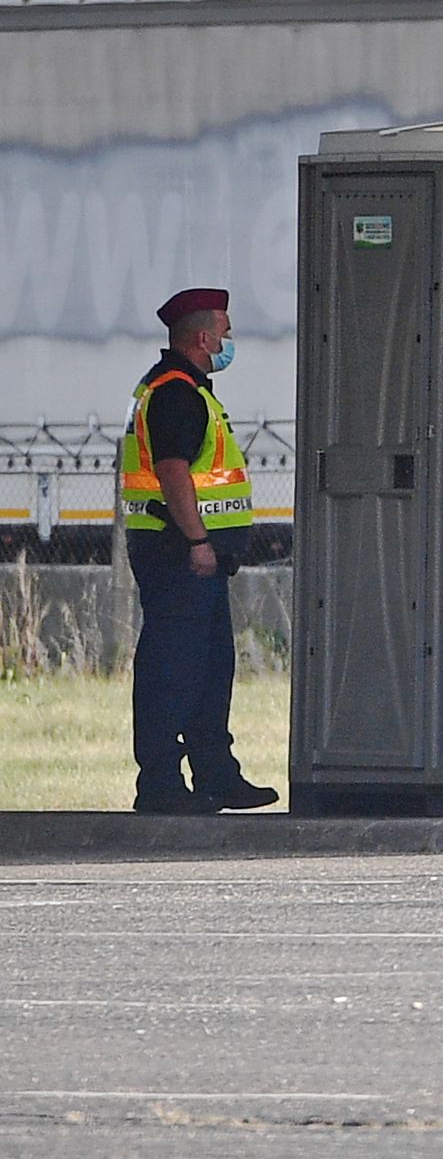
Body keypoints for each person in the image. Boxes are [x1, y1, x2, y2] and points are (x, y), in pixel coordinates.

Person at [119, 287, 272, 815]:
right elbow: (172, 471)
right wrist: (199, 540)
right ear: (204, 337)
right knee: (174, 670)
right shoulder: (176, 392)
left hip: (195, 560)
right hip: (179, 555)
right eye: (225, 334)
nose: (229, 342)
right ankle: (160, 783)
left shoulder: (185, 389)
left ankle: (216, 775)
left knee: (209, 669)